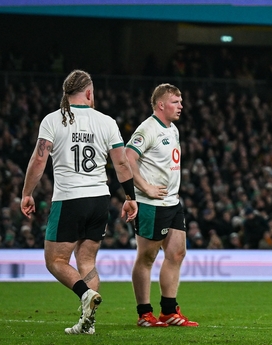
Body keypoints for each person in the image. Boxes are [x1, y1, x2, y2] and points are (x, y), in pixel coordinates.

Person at [20, 69, 138, 334]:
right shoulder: (106, 121)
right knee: (87, 262)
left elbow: (39, 160)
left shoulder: (53, 120)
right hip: (99, 199)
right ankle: (88, 323)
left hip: (70, 199)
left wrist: (27, 192)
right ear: (88, 92)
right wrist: (130, 197)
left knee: (55, 261)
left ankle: (85, 294)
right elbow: (121, 162)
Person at [126, 83, 198, 328]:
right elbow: (128, 157)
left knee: (177, 253)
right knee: (147, 257)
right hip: (151, 204)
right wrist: (145, 187)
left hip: (172, 202)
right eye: (176, 102)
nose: (181, 106)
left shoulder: (172, 129)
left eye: (181, 101)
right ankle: (144, 313)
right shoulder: (147, 129)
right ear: (161, 105)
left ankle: (168, 311)